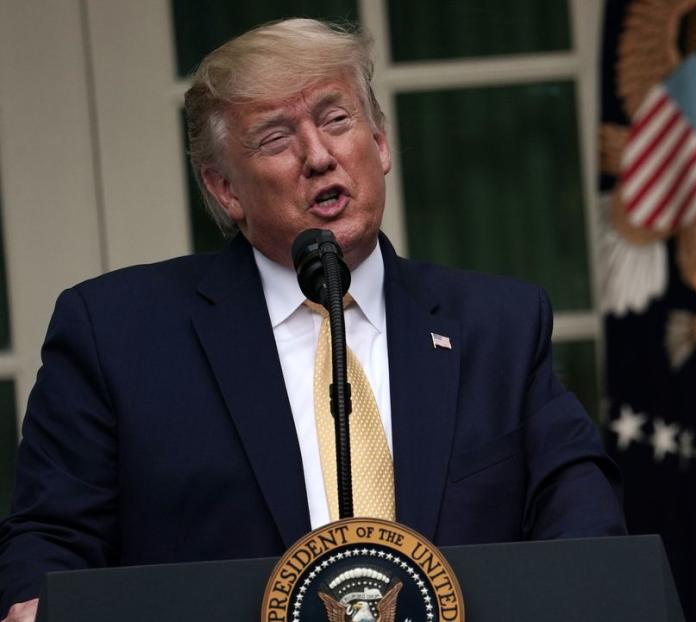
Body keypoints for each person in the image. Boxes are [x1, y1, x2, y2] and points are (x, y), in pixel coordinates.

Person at [0, 18, 625, 620]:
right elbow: (54, 537)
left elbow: (576, 506)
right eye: (276, 138)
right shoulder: (117, 334)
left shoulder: (499, 326)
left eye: (336, 120)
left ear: (379, 143)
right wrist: (33, 603)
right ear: (224, 189)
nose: (319, 156)